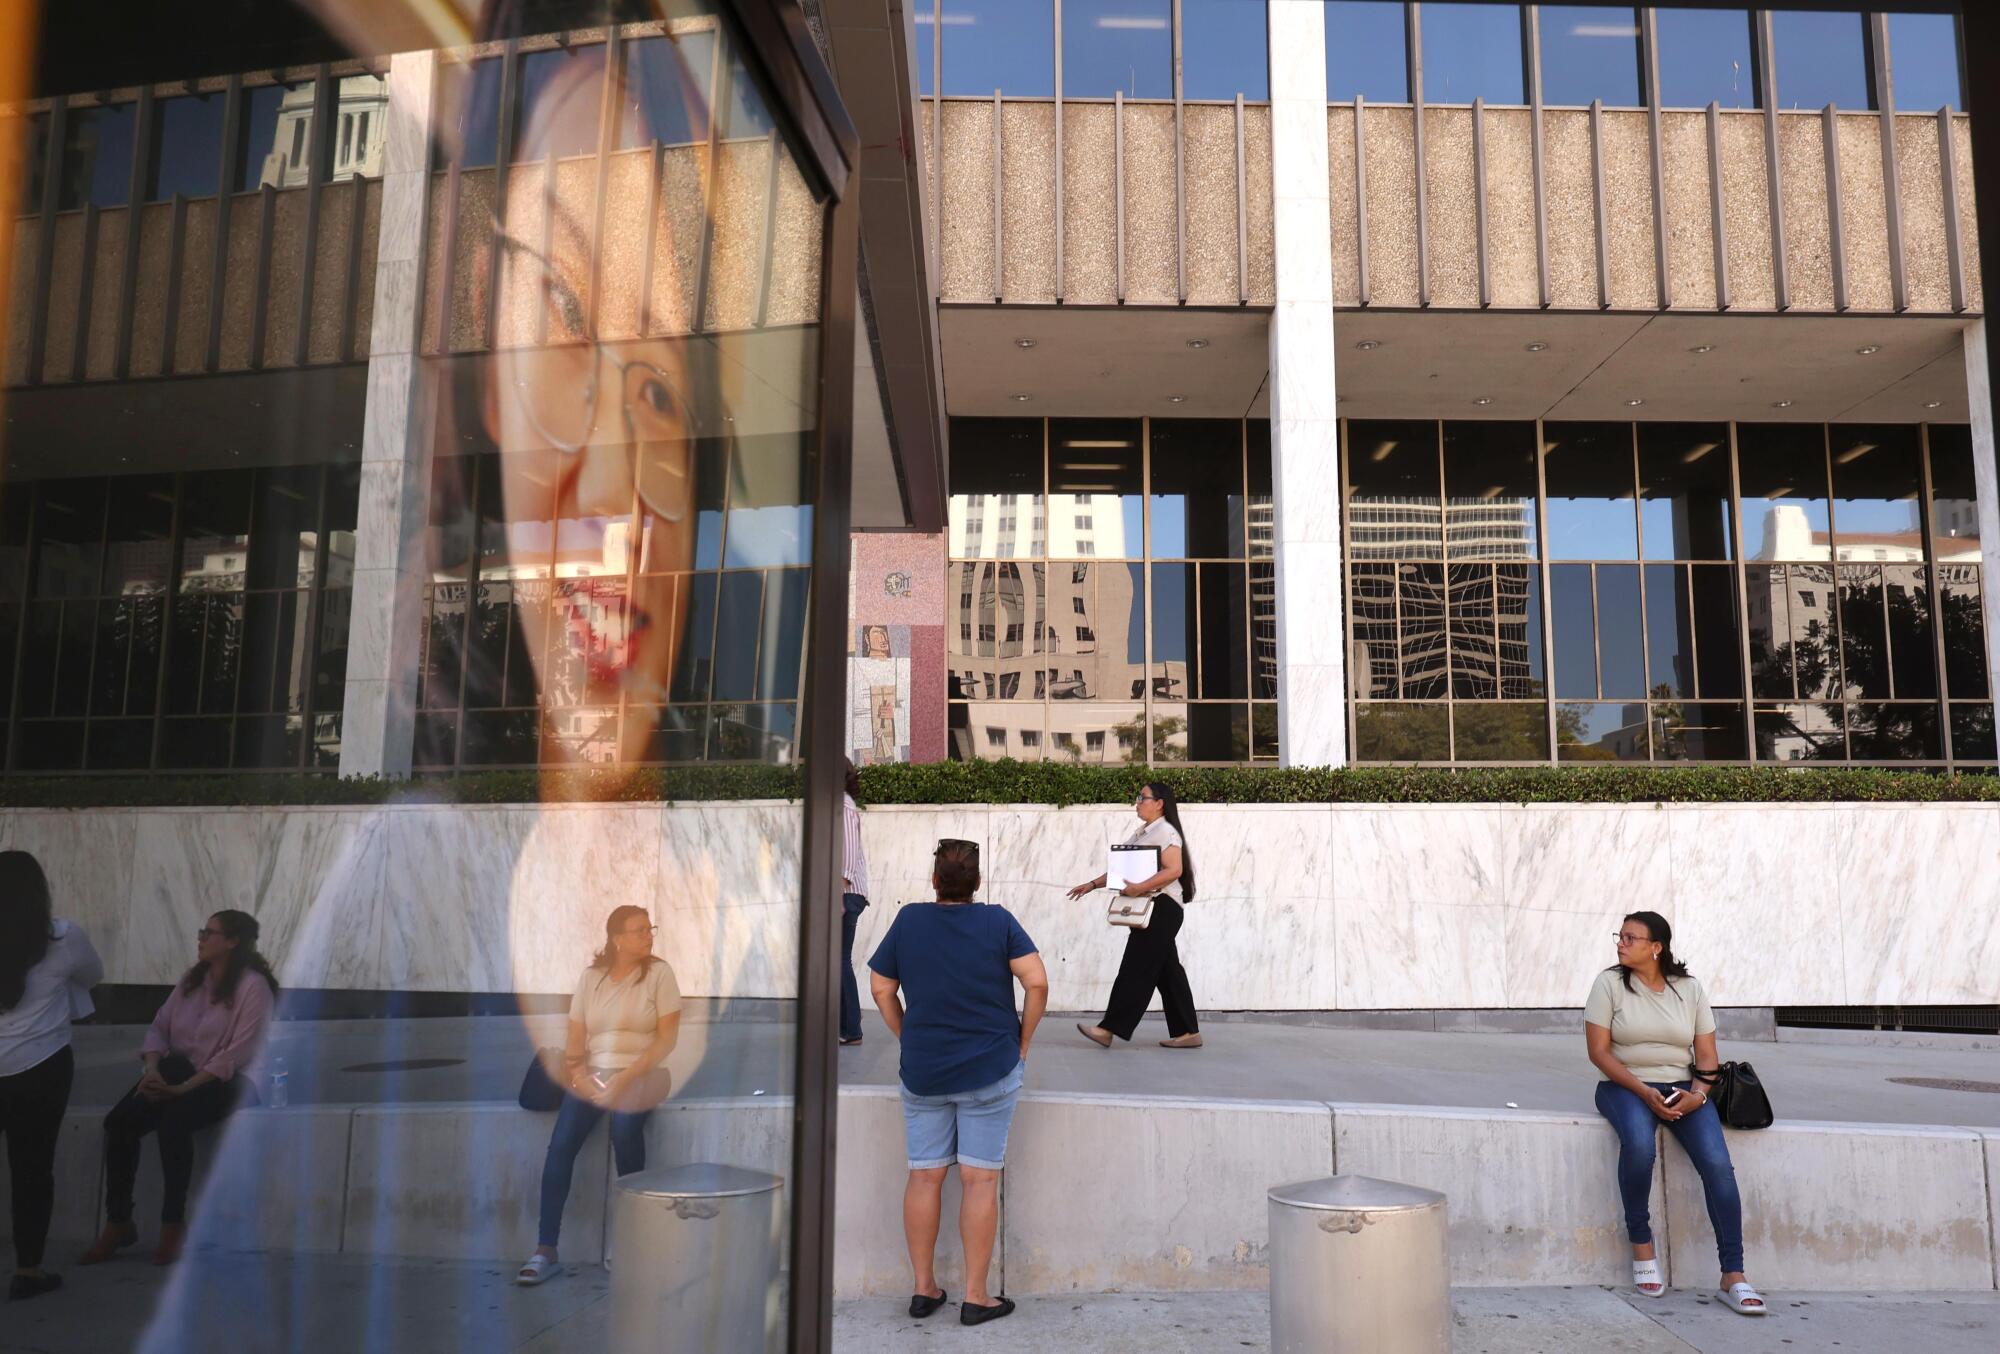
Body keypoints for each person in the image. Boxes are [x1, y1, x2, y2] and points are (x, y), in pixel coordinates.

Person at [869, 839, 1048, 1327]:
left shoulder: (909, 921)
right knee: (979, 1179)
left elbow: (881, 987)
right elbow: (1036, 982)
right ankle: (976, 1297)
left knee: (925, 1174)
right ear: (976, 883)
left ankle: (924, 1290)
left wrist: (908, 1034)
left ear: (934, 882)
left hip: (924, 1071)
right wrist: (1023, 1042)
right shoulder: (998, 921)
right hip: (991, 1068)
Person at [1585, 911, 1765, 1317]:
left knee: (1718, 1165)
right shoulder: (1609, 984)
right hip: (1622, 1086)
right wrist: (1644, 1091)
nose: (1621, 943)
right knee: (1639, 1146)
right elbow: (1598, 1052)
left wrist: (1698, 1097)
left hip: (1683, 1090)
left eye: (1631, 938)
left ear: (1657, 947)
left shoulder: (1690, 989)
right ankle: (1642, 1244)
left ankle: (1732, 1275)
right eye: (1621, 936)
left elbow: (1706, 1058)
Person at [81, 910, 276, 1268]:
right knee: (120, 1124)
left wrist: (182, 1089)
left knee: (173, 1122)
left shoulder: (253, 987)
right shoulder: (192, 980)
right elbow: (159, 1028)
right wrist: (152, 1072)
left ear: (232, 941)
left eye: (209, 933)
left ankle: (173, 1225)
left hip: (234, 1080)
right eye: (201, 931)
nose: (200, 938)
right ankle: (119, 1220)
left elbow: (236, 1054)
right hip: (182, 1072)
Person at [518, 905, 681, 1286]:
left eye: (649, 928)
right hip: (595, 1075)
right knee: (562, 1143)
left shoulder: (660, 973)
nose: (648, 935)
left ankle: (636, 1242)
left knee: (624, 1128)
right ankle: (545, 1250)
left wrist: (627, 1076)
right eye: (639, 931)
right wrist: (579, 1076)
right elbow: (576, 1037)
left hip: (645, 1072)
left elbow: (666, 1040)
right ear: (617, 940)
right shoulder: (591, 978)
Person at [0, 851, 103, 1300]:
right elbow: (94, 977)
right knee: (32, 1171)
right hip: (42, 1067)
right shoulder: (64, 938)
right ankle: (28, 1270)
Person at [1068, 781, 1202, 1049]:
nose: (1137, 802)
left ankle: (1109, 1029)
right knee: (1168, 972)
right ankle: (1188, 1032)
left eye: (1143, 797)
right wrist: (1093, 884)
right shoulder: (1143, 833)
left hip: (1162, 908)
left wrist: (1139, 887)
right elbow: (1119, 867)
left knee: (1135, 967)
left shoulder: (1166, 832)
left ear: (1159, 803)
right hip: (1155, 907)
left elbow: (1174, 870)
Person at [840, 758, 871, 1046]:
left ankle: (851, 1030)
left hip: (846, 894)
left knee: (840, 961)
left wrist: (840, 891)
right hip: (845, 893)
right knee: (837, 961)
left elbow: (848, 856)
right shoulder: (841, 803)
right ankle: (845, 1027)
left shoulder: (844, 807)